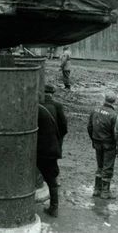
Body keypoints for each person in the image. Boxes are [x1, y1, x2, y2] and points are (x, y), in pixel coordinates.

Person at [37, 84, 68, 217]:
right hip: (51, 149)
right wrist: (56, 140)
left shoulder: (36, 106)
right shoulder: (57, 106)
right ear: (52, 94)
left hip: (35, 149)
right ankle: (54, 207)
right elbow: (64, 128)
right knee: (51, 180)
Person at [87, 90, 118, 199]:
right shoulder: (114, 115)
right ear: (114, 101)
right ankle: (105, 191)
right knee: (107, 167)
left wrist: (93, 139)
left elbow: (89, 127)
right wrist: (117, 145)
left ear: (104, 98)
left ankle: (96, 189)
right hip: (108, 145)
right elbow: (115, 133)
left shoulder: (95, 110)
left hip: (97, 142)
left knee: (99, 166)